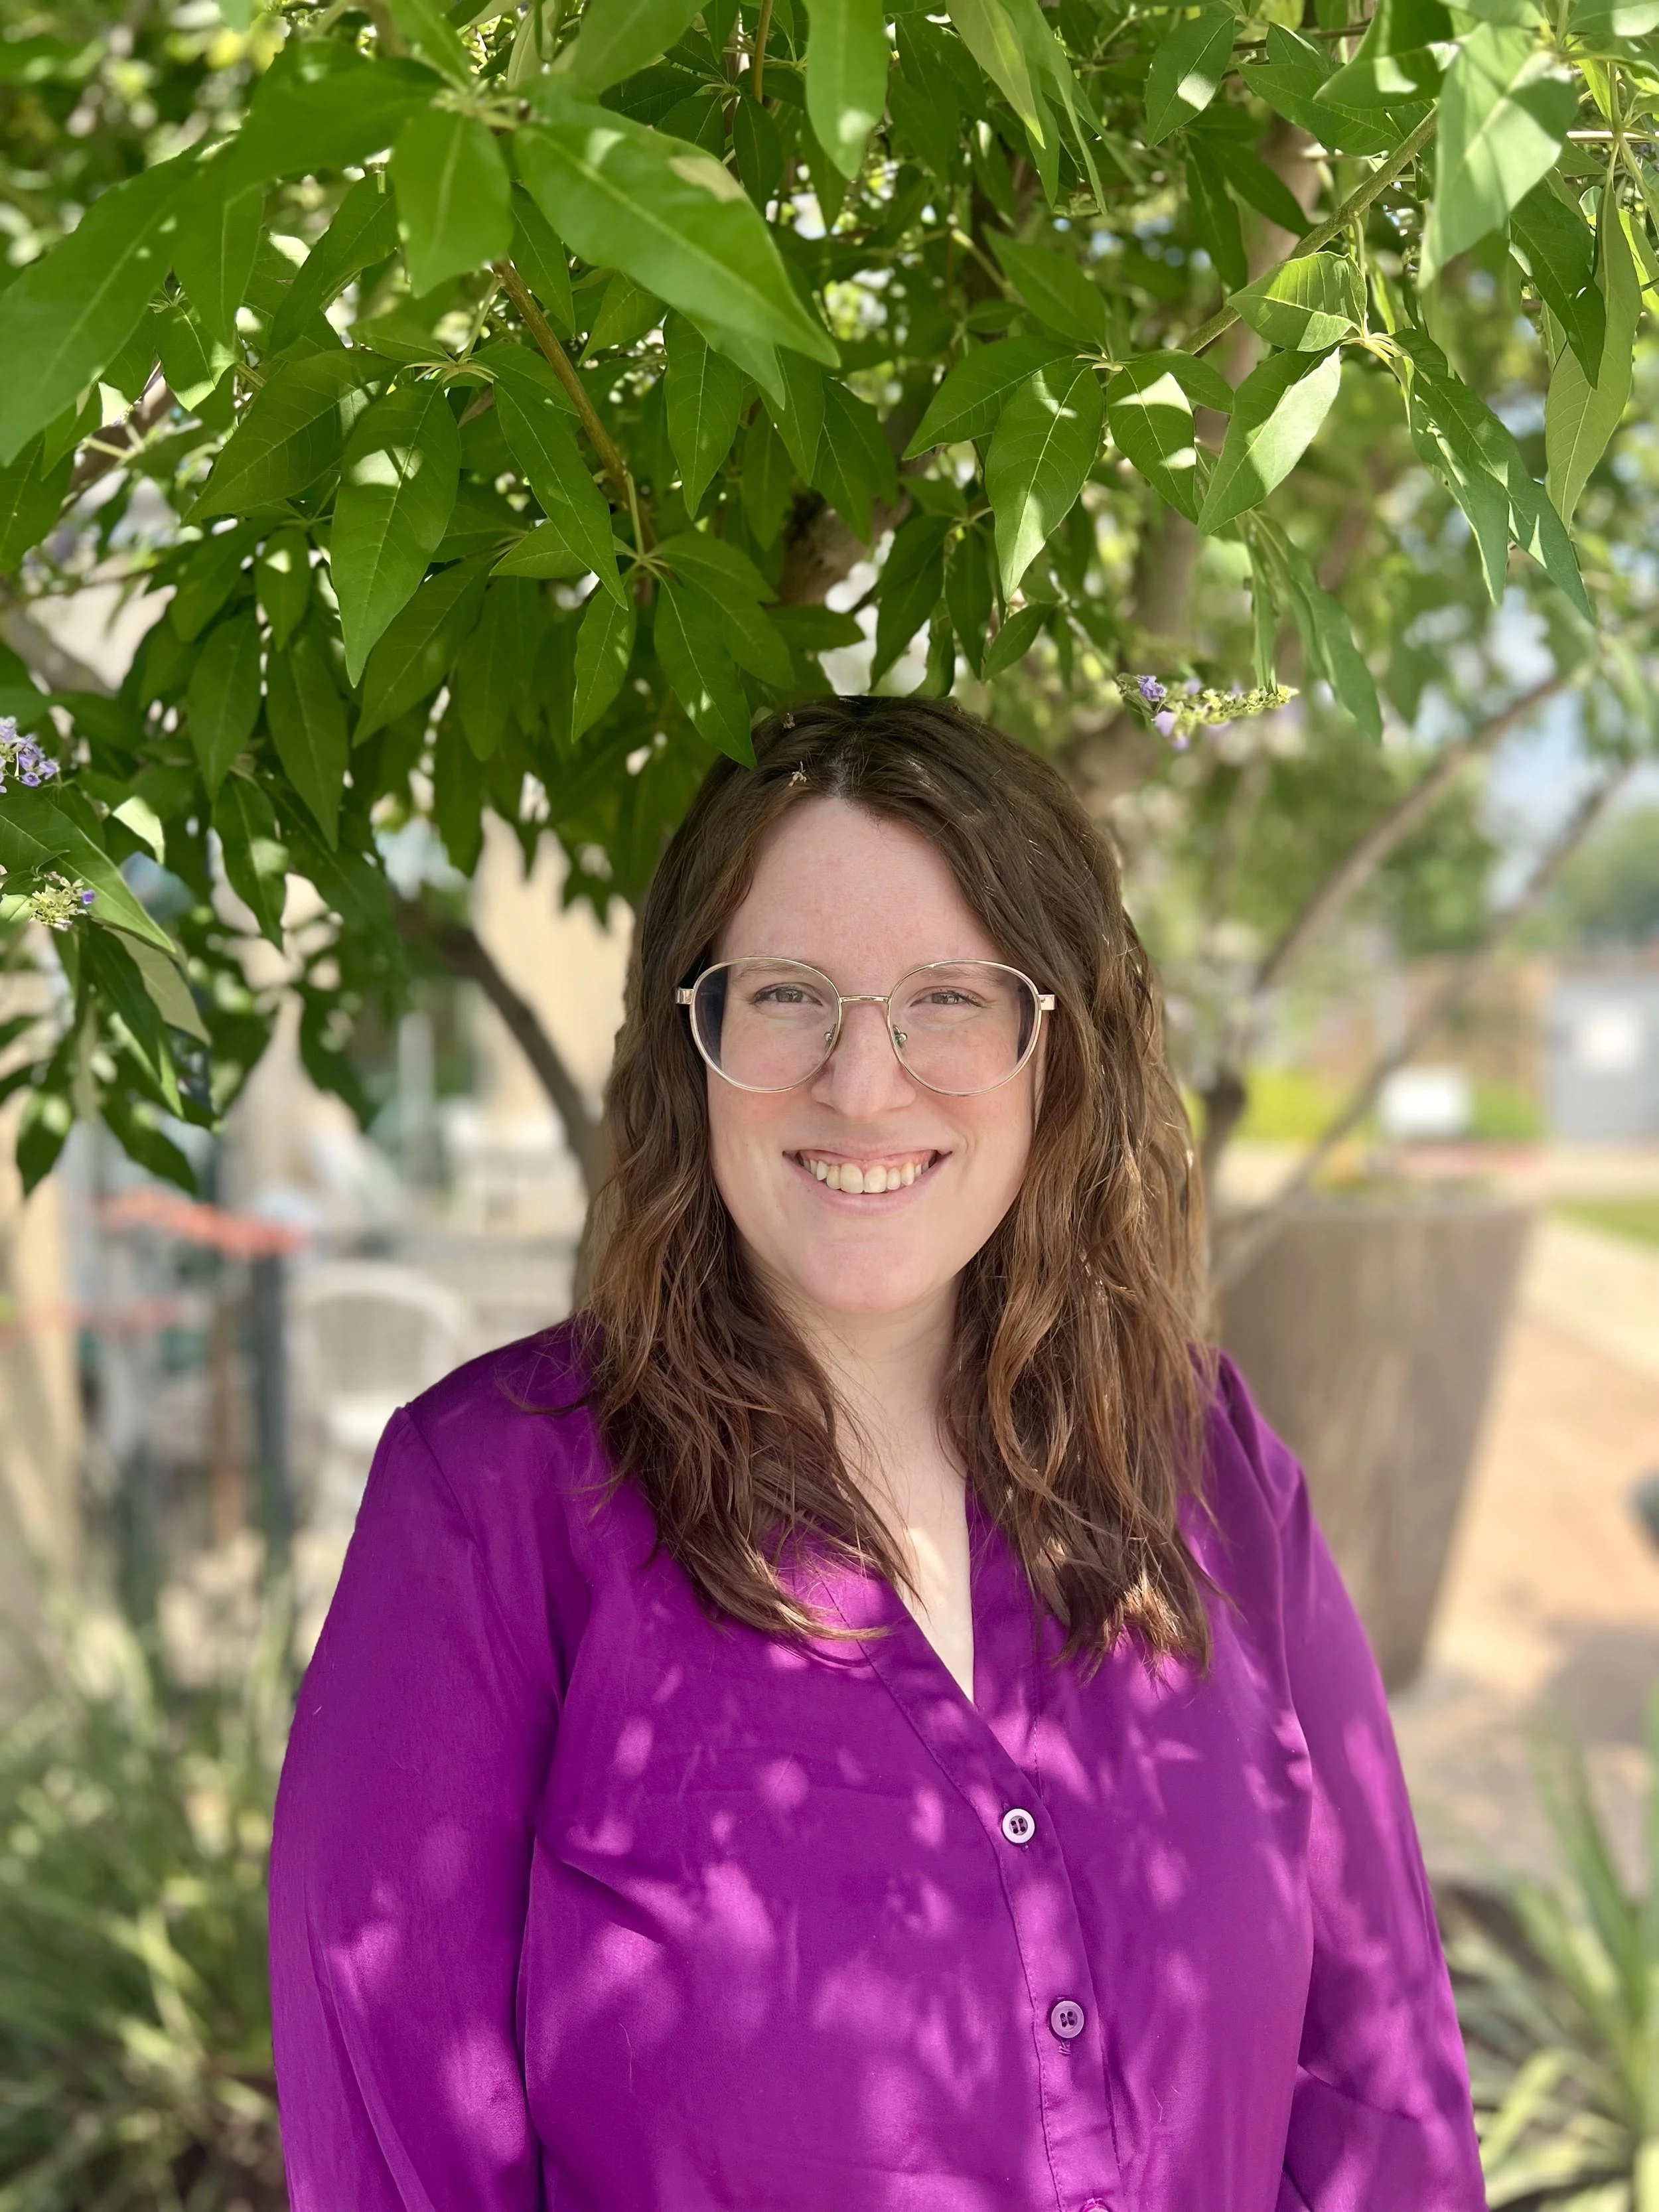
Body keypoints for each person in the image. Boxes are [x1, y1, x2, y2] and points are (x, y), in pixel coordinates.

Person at [269, 695, 1486, 2211]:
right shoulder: (488, 1512)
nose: (862, 1080)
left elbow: (1387, 2090)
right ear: (689, 1039)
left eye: (947, 997)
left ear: (1059, 1045)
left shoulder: (1207, 1463)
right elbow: (402, 2160)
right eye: (785, 993)